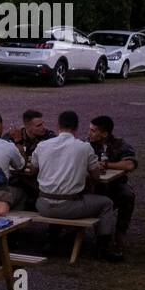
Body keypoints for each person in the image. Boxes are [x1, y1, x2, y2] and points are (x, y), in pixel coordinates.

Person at [33, 110, 123, 262]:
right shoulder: (84, 147)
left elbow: (34, 169)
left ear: (58, 125)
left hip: (42, 204)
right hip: (69, 206)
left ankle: (52, 239)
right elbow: (96, 176)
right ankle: (103, 248)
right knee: (106, 203)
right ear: (76, 127)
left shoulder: (42, 145)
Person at [88, 115, 137, 255]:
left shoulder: (119, 144)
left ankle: (120, 235)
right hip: (93, 186)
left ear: (104, 133)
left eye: (93, 130)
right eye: (89, 129)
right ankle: (99, 237)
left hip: (115, 185)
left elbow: (130, 164)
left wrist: (108, 165)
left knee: (128, 195)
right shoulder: (85, 144)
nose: (89, 133)